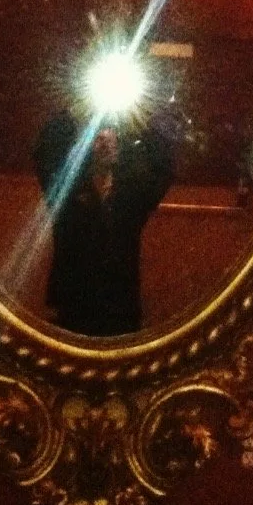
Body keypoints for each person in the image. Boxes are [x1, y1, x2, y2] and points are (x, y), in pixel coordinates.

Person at [32, 107, 175, 335]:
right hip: (73, 303)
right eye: (98, 140)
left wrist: (144, 122)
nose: (105, 145)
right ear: (86, 148)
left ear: (119, 150)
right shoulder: (68, 192)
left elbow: (164, 168)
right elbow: (44, 155)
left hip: (119, 305)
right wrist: (70, 110)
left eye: (111, 141)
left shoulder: (130, 194)